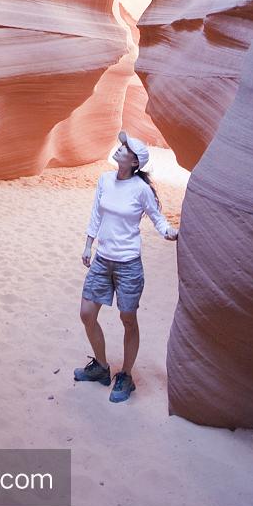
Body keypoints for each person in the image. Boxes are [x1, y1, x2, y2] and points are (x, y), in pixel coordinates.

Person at [75, 130, 178, 402]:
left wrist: (168, 231)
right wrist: (88, 244)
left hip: (128, 264)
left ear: (134, 162)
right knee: (87, 313)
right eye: (121, 145)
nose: (119, 149)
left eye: (125, 148)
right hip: (102, 259)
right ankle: (101, 366)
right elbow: (96, 213)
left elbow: (157, 217)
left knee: (128, 320)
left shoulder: (141, 189)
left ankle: (126, 376)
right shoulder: (105, 180)